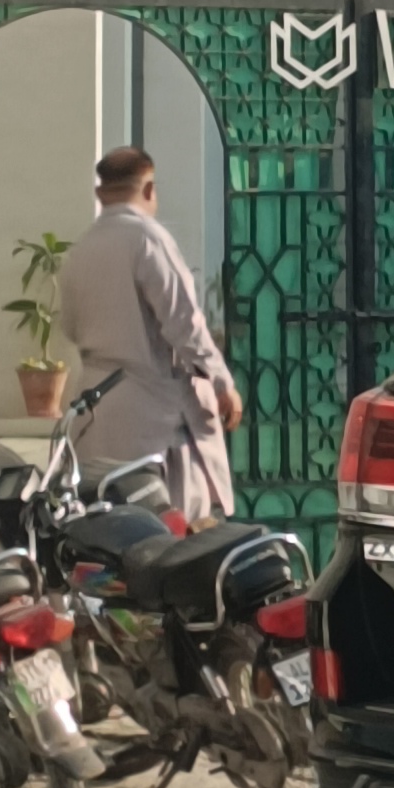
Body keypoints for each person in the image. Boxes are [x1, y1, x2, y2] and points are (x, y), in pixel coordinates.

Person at [54, 145, 245, 520]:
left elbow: (70, 326)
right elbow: (184, 324)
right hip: (153, 413)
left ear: (100, 193)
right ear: (149, 189)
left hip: (95, 410)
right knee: (170, 526)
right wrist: (222, 382)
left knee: (108, 522)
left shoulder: (81, 249)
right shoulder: (148, 239)